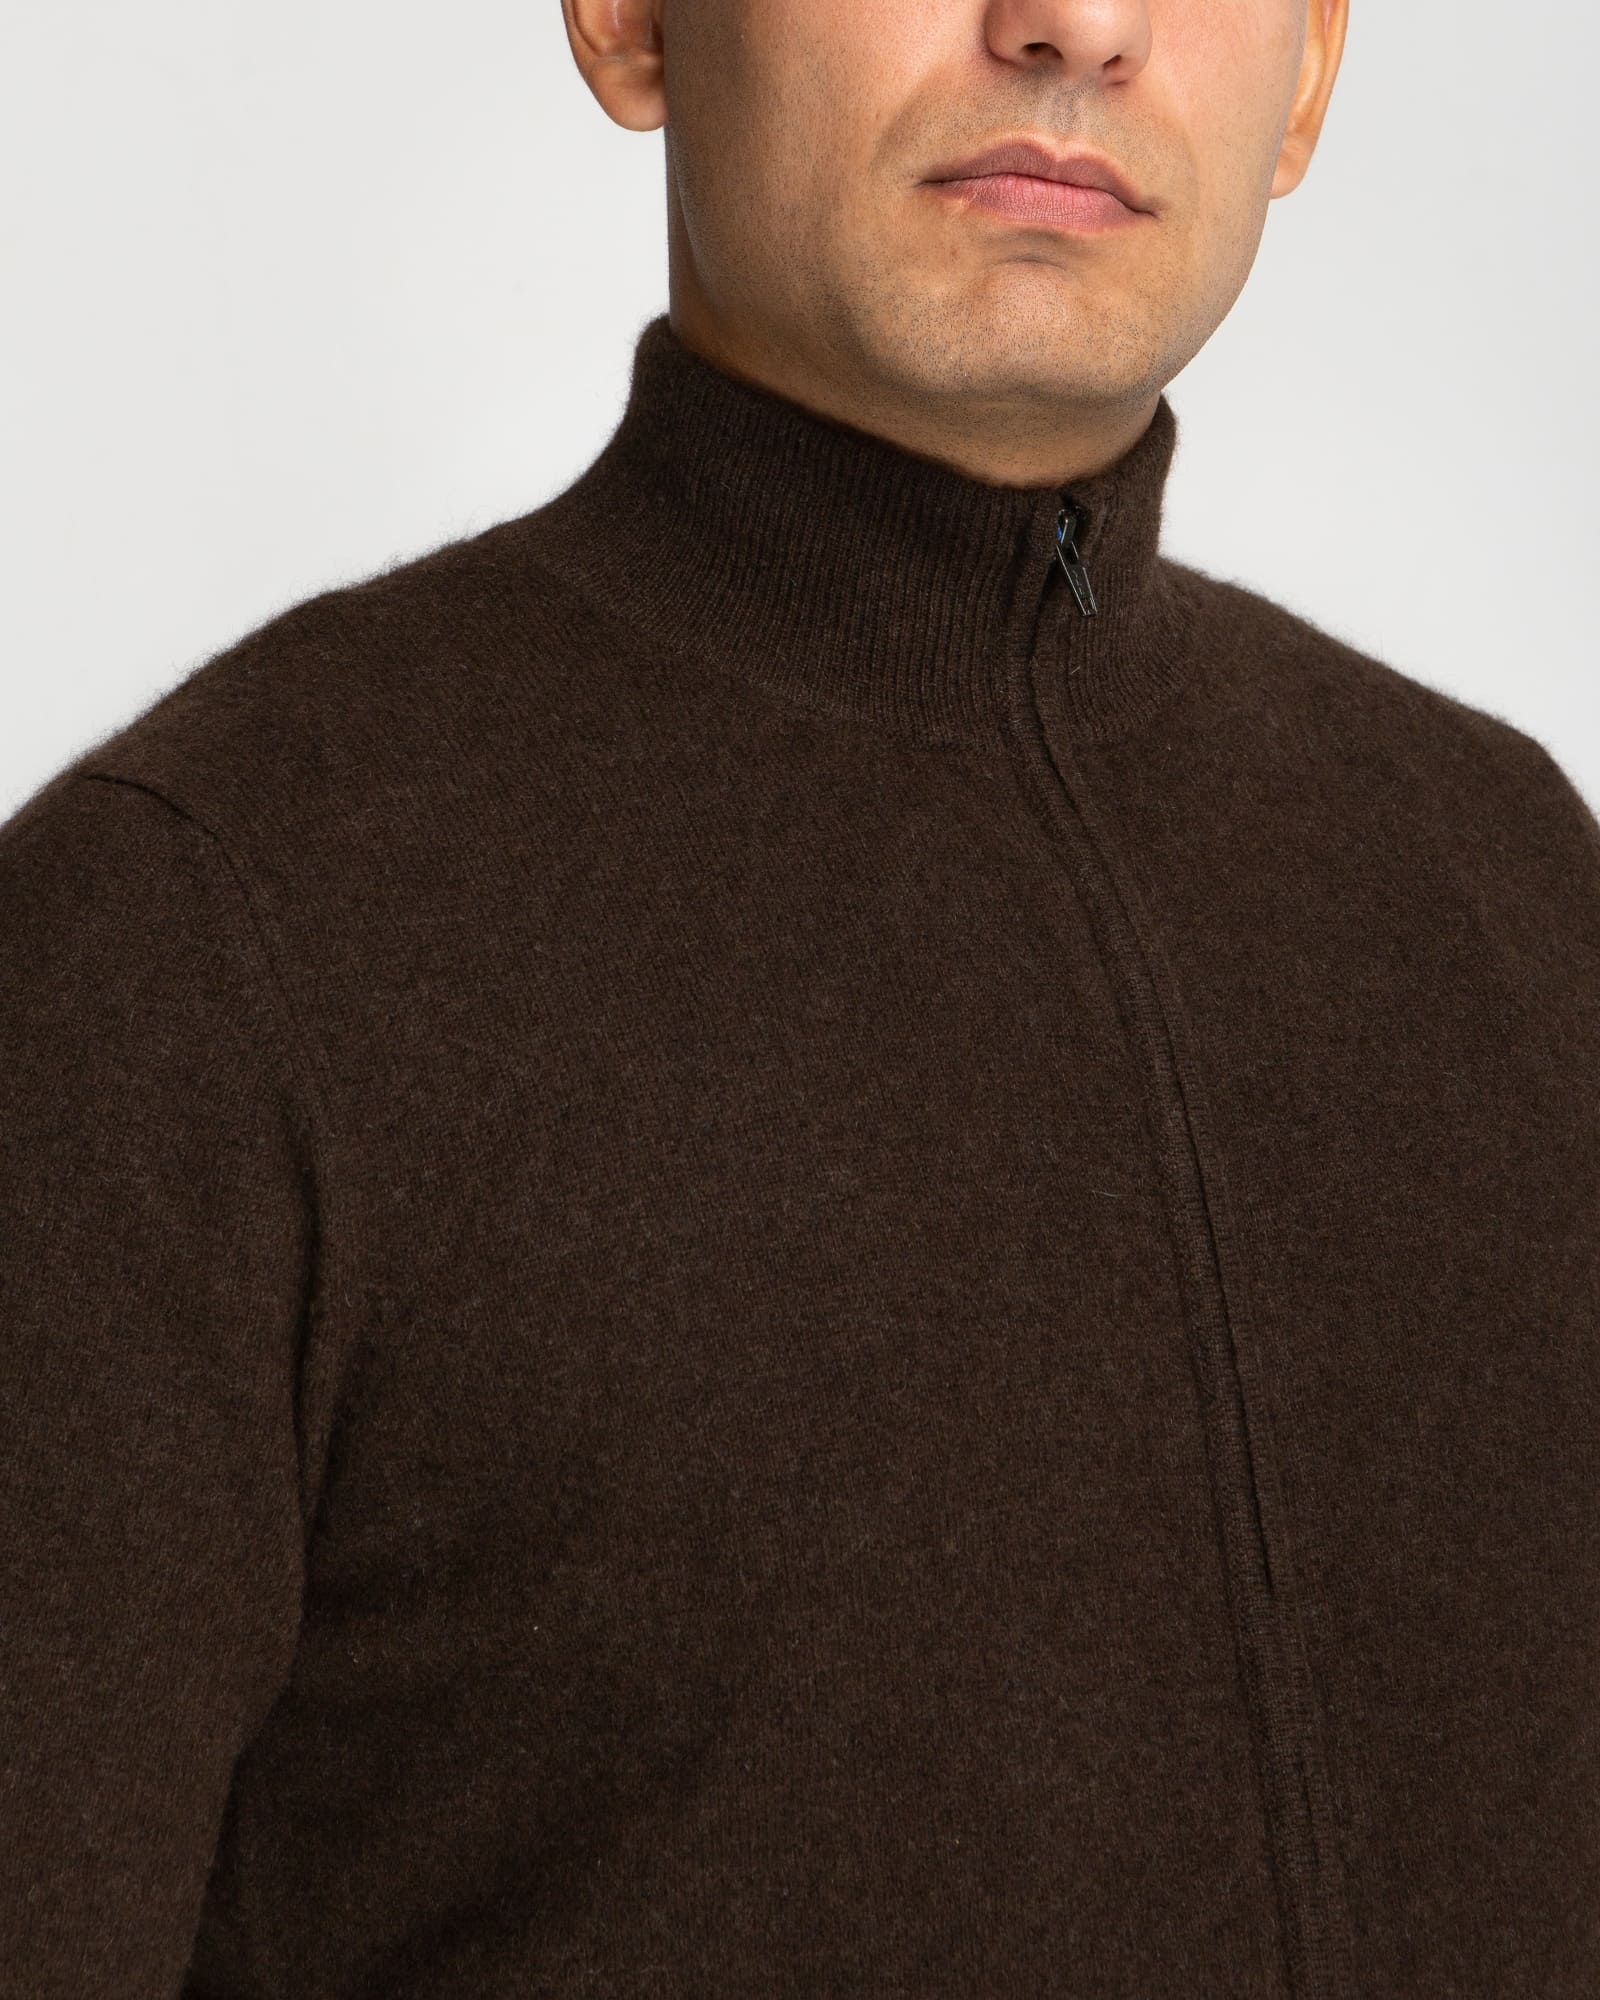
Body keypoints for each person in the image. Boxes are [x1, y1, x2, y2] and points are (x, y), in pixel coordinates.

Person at [3, 0, 1597, 1993]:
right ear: (629, 20)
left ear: (1313, 73)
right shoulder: (188, 945)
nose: (1078, 24)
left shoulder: (1514, 888)